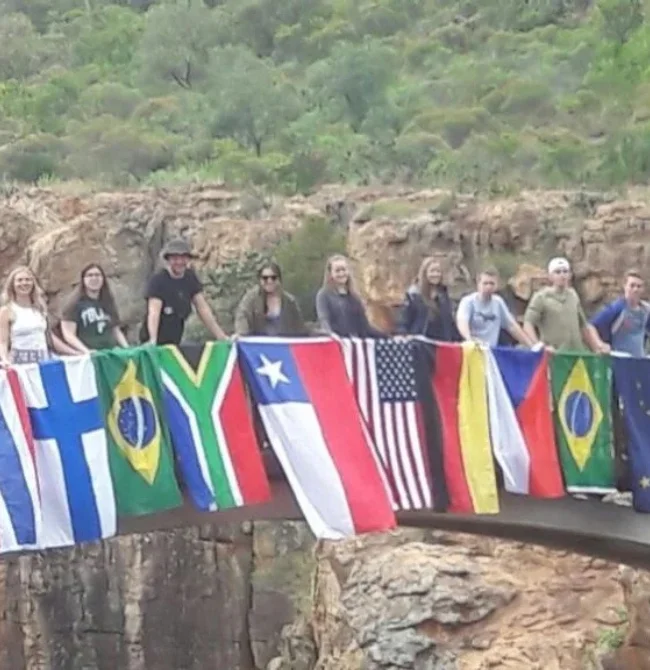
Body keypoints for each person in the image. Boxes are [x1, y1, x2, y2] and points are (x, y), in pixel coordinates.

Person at [139, 238, 228, 346]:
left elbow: (203, 308)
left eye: (183, 258)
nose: (179, 262)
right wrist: (153, 340)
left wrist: (220, 336)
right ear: (168, 260)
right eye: (175, 258)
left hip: (175, 339)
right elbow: (154, 312)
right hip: (153, 340)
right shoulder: (158, 281)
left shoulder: (190, 278)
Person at [523, 257, 610, 353]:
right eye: (558, 272)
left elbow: (583, 326)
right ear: (550, 276)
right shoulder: (541, 297)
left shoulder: (573, 295)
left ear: (569, 275)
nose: (562, 275)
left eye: (565, 271)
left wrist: (597, 347)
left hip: (576, 355)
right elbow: (528, 323)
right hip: (553, 355)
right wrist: (538, 346)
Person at [0, 266, 79, 365]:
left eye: (28, 280)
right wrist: (5, 359)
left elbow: (49, 337)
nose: (24, 283)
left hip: (43, 358)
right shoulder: (7, 310)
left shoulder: (40, 308)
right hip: (19, 360)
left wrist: (75, 353)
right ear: (13, 285)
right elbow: (3, 342)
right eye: (19, 280)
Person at [456, 268, 535, 348]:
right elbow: (462, 322)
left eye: (492, 283)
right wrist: (469, 339)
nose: (488, 287)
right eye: (485, 283)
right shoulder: (468, 302)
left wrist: (531, 346)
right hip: (472, 349)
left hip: (491, 351)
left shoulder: (498, 302)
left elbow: (512, 326)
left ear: (497, 285)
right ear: (478, 283)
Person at [60, 263, 129, 352]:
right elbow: (68, 334)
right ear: (83, 280)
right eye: (90, 275)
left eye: (97, 275)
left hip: (110, 353)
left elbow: (116, 330)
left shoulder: (108, 303)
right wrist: (86, 351)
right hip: (89, 356)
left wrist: (127, 348)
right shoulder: (74, 304)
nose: (94, 278)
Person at [315, 254, 384, 337]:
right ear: (330, 273)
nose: (341, 273)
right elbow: (324, 321)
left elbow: (365, 327)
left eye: (343, 270)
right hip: (336, 344)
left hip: (355, 344)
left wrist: (389, 337)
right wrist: (331, 336)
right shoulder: (323, 295)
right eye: (337, 270)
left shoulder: (355, 297)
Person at [234, 262, 307, 336]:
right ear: (260, 280)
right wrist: (241, 333)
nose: (269, 281)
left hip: (283, 344)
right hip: (258, 344)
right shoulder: (251, 298)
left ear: (279, 279)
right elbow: (242, 315)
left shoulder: (290, 301)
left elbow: (300, 327)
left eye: (273, 278)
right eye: (265, 278)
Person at [590, 270, 650, 357]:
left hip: (639, 360)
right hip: (619, 359)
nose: (635, 289)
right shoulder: (617, 308)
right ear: (625, 286)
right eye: (632, 285)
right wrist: (599, 344)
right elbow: (591, 327)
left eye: (639, 286)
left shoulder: (646, 310)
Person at [397, 257, 458, 341]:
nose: (435, 274)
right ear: (424, 273)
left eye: (438, 271)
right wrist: (402, 335)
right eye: (432, 271)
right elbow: (404, 319)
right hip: (421, 342)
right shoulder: (414, 295)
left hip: (442, 342)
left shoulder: (443, 295)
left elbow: (450, 322)